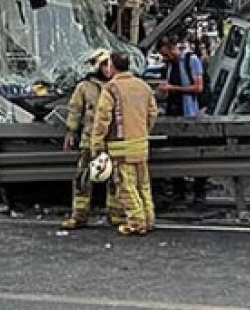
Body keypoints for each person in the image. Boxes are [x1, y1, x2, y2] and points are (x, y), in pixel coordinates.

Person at [89, 52, 159, 236]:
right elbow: (152, 113)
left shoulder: (111, 88)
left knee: (126, 186)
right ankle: (149, 218)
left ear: (112, 66)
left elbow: (103, 119)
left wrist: (96, 144)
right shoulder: (143, 86)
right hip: (141, 144)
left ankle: (136, 222)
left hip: (121, 146)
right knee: (143, 185)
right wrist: (143, 131)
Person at [60, 49, 121, 230]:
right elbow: (75, 110)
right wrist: (70, 133)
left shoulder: (119, 84)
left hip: (113, 138)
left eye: (109, 64)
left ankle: (115, 214)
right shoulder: (84, 87)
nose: (107, 68)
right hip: (89, 139)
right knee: (83, 178)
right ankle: (79, 215)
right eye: (103, 64)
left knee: (116, 179)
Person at [158, 36, 209, 206]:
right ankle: (178, 191)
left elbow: (198, 87)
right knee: (174, 153)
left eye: (166, 54)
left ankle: (199, 191)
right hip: (173, 112)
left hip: (190, 112)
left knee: (194, 153)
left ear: (173, 48)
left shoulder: (191, 60)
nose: (165, 58)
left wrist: (173, 88)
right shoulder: (169, 66)